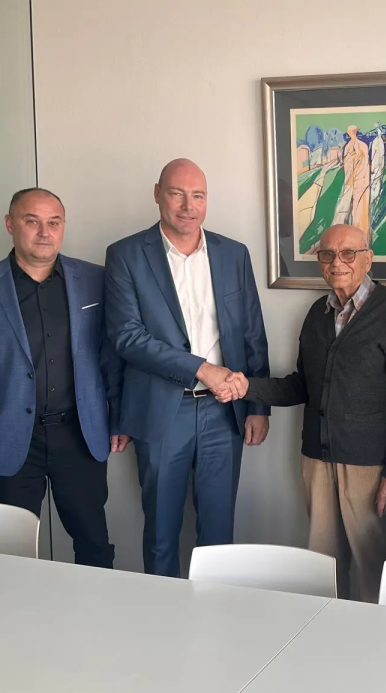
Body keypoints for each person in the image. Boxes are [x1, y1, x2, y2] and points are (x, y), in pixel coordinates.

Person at [217, 224, 386, 602]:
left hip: (370, 466)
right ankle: (326, 633)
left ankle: (374, 637)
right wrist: (247, 387)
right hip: (316, 459)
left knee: (373, 568)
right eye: (327, 254)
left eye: (348, 253)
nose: (336, 262)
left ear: (368, 259)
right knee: (323, 568)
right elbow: (302, 385)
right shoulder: (317, 314)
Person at [104, 159, 270, 577]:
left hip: (224, 413)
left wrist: (257, 405)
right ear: (157, 193)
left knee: (218, 533)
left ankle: (215, 613)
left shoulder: (233, 253)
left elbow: (252, 331)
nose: (188, 206)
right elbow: (128, 337)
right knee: (161, 532)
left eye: (198, 196)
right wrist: (202, 369)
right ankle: (163, 614)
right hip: (162, 410)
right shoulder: (126, 255)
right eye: (177, 194)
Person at [0, 188, 127, 567]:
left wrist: (119, 418)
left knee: (94, 545)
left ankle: (95, 607)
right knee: (6, 556)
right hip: (8, 438)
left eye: (54, 222)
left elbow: (111, 359)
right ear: (10, 224)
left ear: (63, 226)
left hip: (80, 435)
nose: (44, 232)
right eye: (32, 221)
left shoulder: (95, 280)